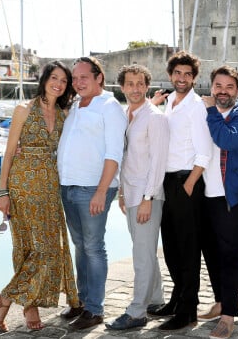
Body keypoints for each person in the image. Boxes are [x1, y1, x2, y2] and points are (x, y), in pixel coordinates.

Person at [0, 61, 78, 332]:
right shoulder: (23, 110)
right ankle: (29, 306)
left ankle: (3, 299)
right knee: (28, 247)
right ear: (45, 79)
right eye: (54, 78)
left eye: (63, 80)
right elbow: (9, 151)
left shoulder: (64, 114)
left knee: (50, 250)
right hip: (22, 186)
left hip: (50, 187)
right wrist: (3, 192)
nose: (58, 83)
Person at [57, 56, 127, 330]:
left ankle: (95, 309)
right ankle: (82, 301)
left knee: (94, 248)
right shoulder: (75, 104)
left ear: (99, 77)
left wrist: (101, 191)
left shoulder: (109, 107)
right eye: (75, 78)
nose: (77, 82)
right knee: (80, 246)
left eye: (84, 76)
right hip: (69, 185)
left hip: (93, 188)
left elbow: (113, 154)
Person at [147, 51, 213, 331]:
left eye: (188, 74)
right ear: (171, 75)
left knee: (187, 249)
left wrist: (189, 183)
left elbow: (205, 150)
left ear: (194, 78)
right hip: (169, 181)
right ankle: (177, 299)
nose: (182, 78)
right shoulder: (171, 102)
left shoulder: (196, 106)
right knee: (172, 246)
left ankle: (188, 311)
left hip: (187, 181)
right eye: (178, 73)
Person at [105, 65, 170, 330]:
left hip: (147, 195)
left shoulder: (155, 118)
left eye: (140, 83)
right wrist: (122, 192)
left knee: (141, 256)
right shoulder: (125, 115)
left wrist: (148, 198)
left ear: (146, 85)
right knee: (145, 253)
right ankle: (155, 300)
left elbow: (158, 162)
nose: (135, 88)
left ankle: (137, 312)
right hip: (130, 193)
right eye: (129, 83)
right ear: (122, 87)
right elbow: (125, 158)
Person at [197, 65, 238, 339]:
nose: (223, 91)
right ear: (212, 88)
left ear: (237, 90)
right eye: (218, 86)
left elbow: (226, 141)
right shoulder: (202, 112)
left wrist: (210, 111)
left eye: (229, 87)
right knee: (211, 252)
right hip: (207, 194)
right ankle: (220, 301)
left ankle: (228, 315)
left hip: (233, 197)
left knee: (231, 255)